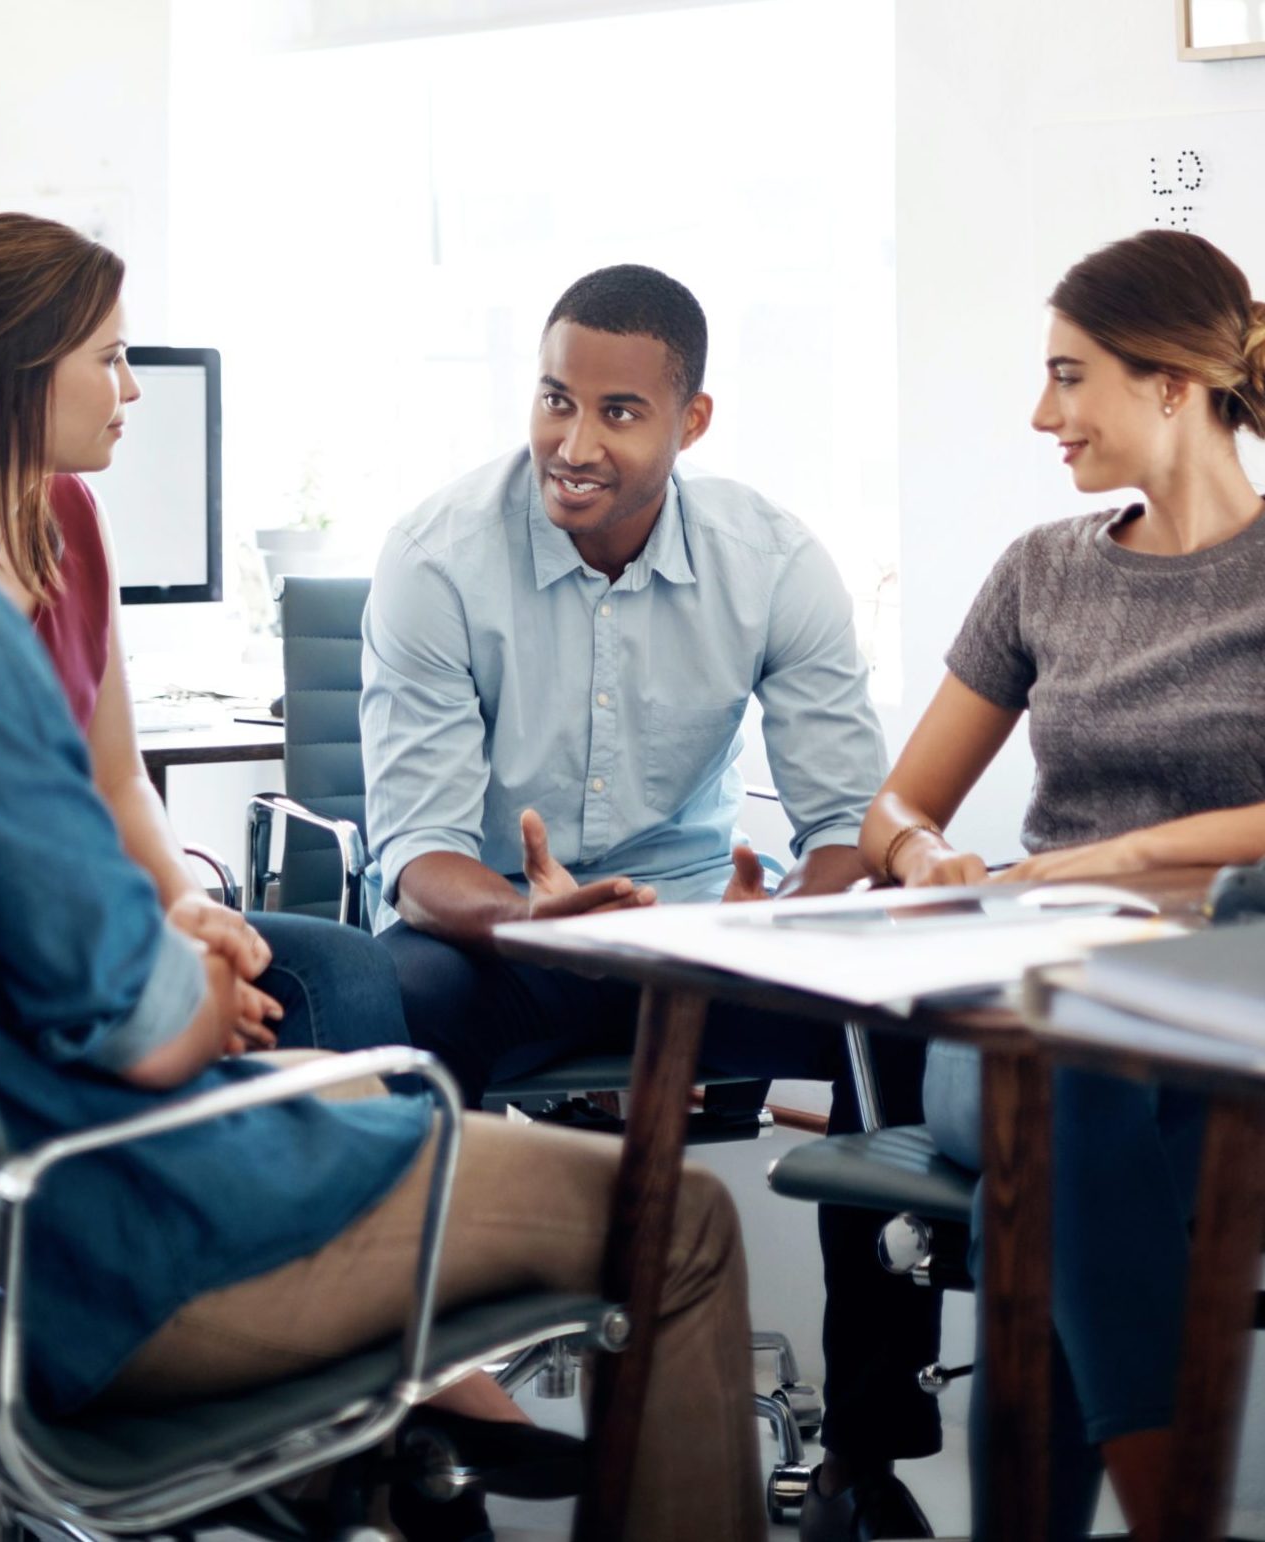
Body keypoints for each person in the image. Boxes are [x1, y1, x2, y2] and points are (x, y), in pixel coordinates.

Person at [0, 147, 765, 1542]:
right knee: (672, 1222)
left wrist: (188, 972)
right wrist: (194, 977)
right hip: (82, 1255)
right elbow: (136, 1025)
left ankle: (377, 1467)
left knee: (332, 1073)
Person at [860, 229, 1265, 1538]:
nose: (1039, 412)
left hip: (1225, 1015)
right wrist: (921, 851)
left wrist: (1135, 852)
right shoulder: (1039, 573)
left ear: (1170, 383)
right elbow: (896, 803)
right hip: (1025, 992)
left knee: (1061, 1160)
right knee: (1056, 1073)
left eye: (1069, 377)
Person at [361, 263, 938, 1538]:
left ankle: (867, 1452)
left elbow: (847, 825)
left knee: (894, 1013)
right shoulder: (435, 557)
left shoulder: (775, 561)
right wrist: (534, 920)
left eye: (619, 413)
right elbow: (416, 854)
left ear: (693, 423)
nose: (574, 444)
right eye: (555, 399)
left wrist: (785, 910)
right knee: (383, 1006)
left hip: (700, 937)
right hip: (500, 935)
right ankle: (417, 1420)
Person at [0, 212, 401, 1063]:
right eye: (110, 359)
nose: (134, 388)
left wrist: (190, 911)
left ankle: (330, 1178)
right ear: (15, 373)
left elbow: (117, 780)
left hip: (74, 915)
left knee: (348, 972)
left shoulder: (69, 512)